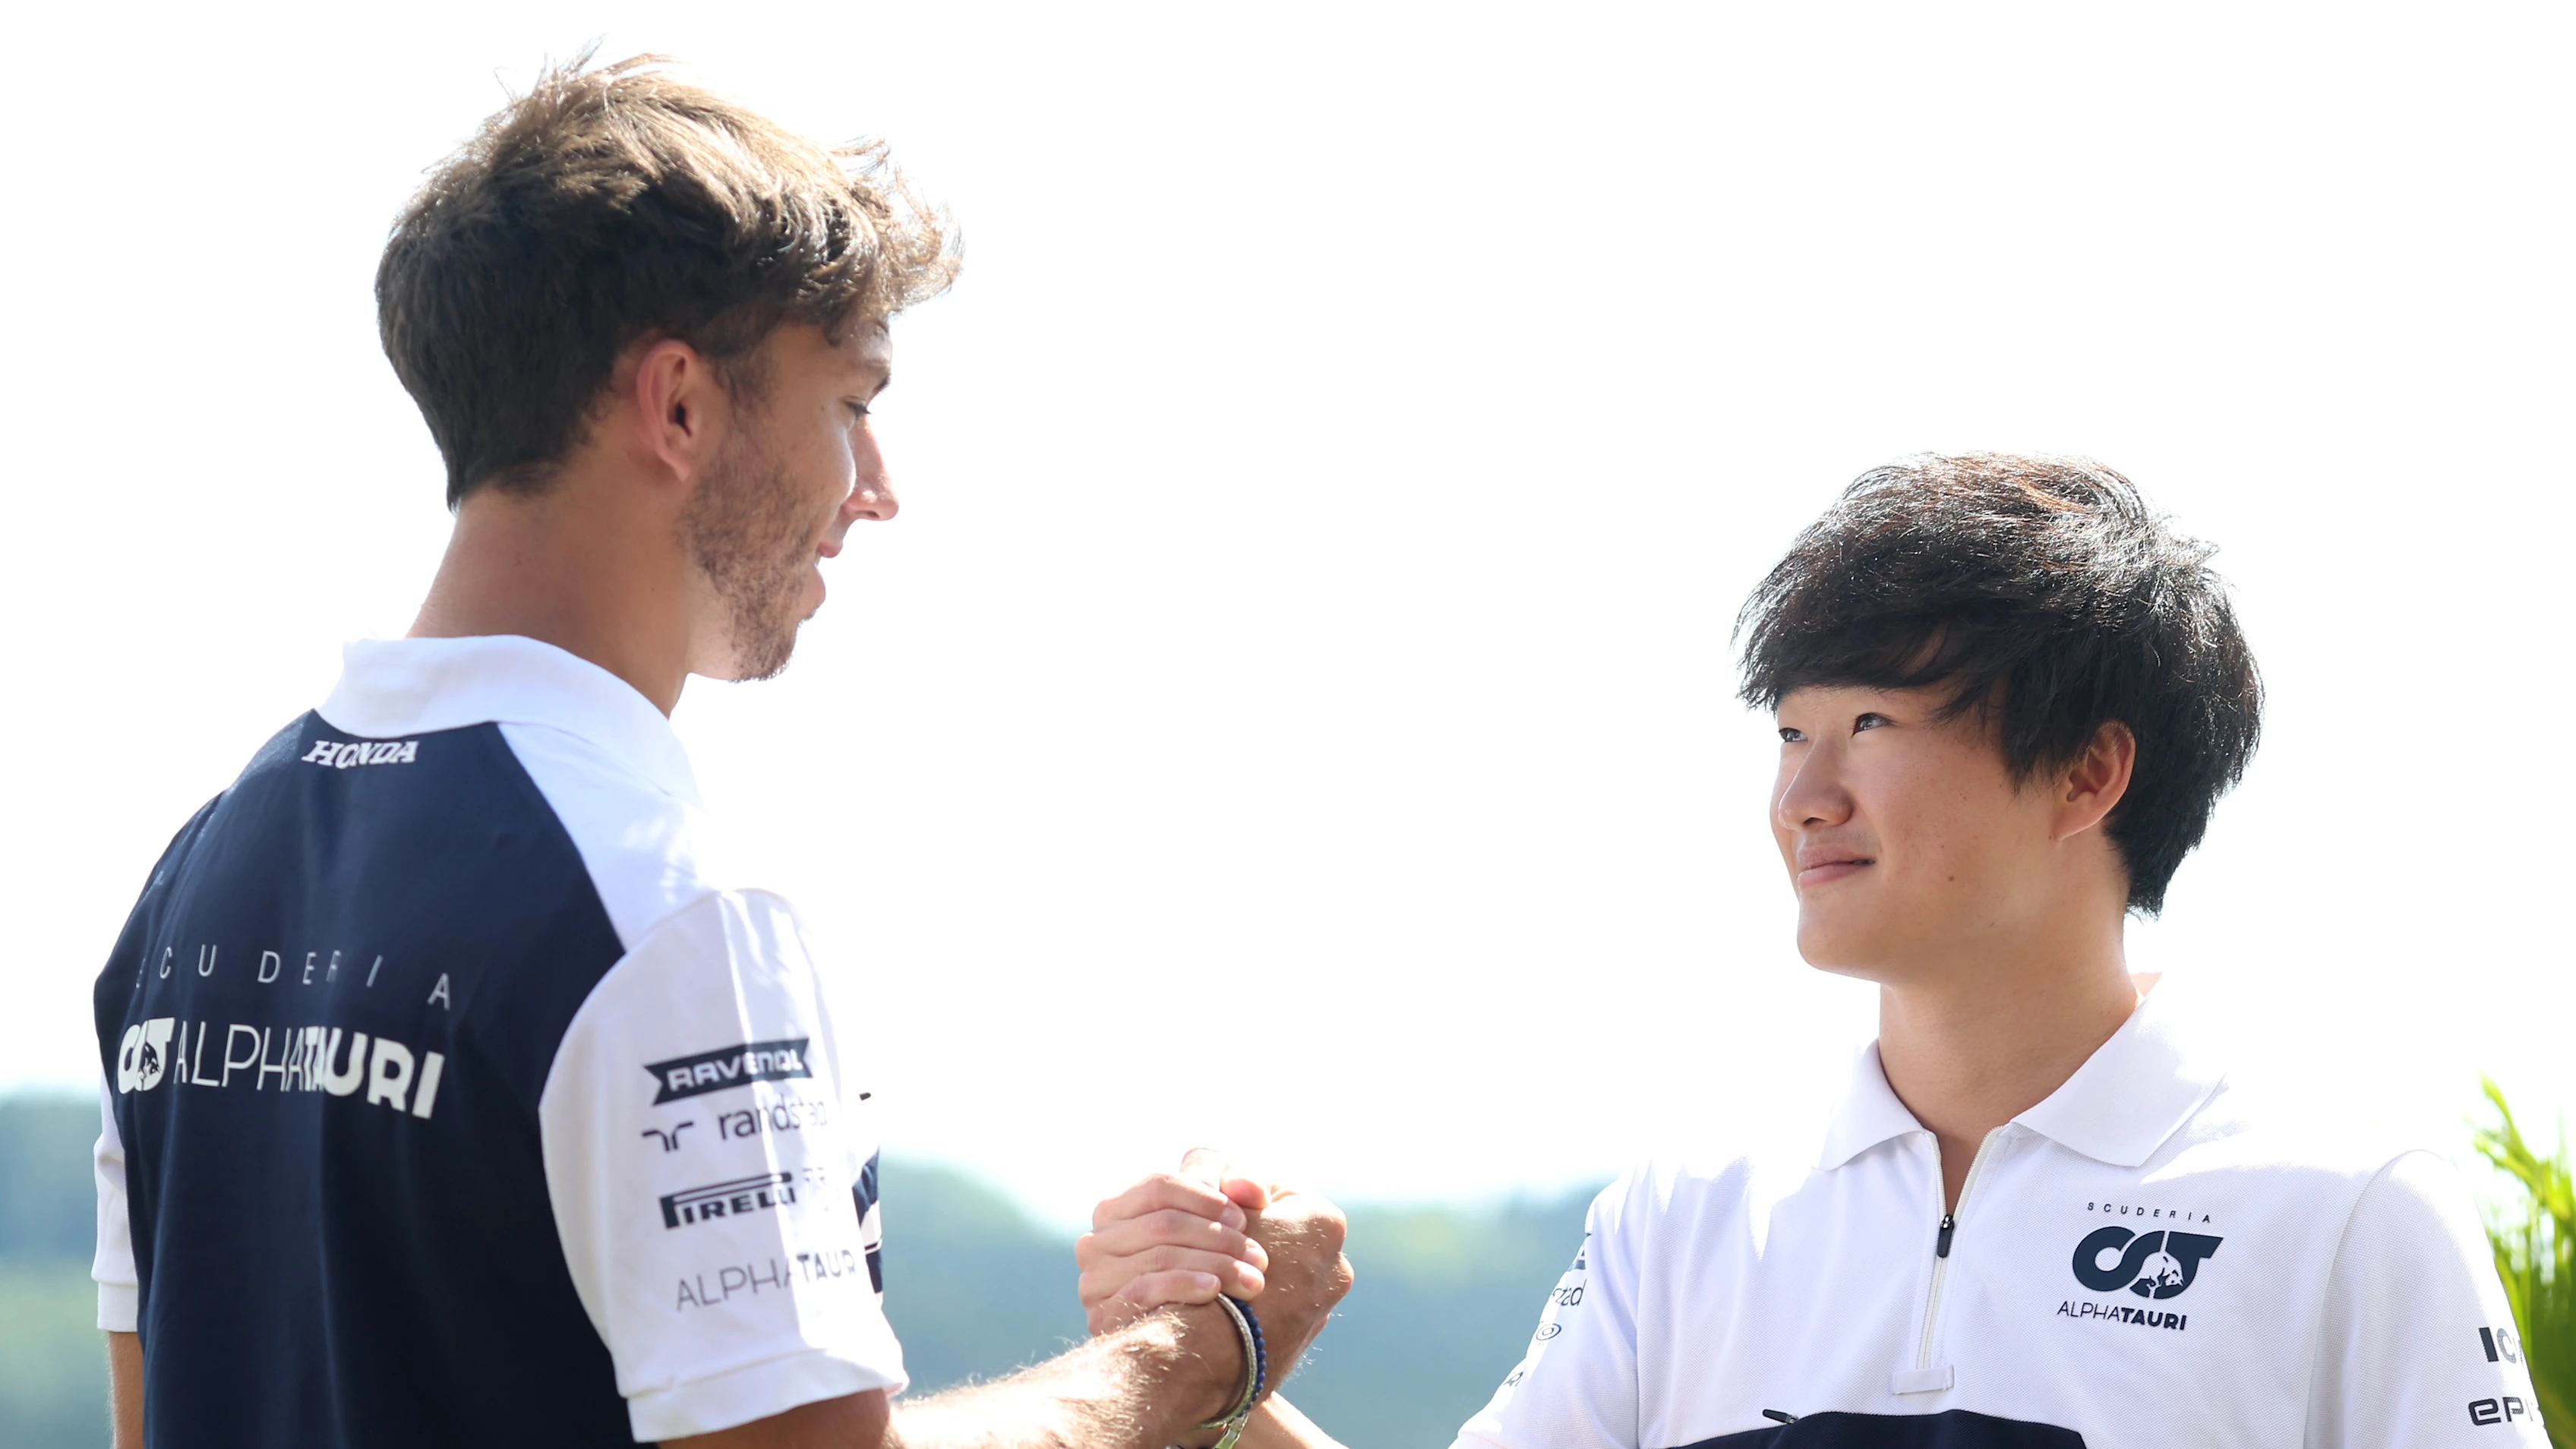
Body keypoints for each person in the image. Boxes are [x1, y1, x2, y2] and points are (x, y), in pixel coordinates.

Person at [90, 55, 1346, 1449]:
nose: (876, 491)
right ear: (678, 405)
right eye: (852, 403)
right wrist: (1201, 1359)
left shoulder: (195, 883)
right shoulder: (667, 911)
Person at [1080, 454, 2552, 1446]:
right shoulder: (1690, 1211)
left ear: (2090, 777)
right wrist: (1210, 1362)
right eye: (1789, 730)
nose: (1804, 794)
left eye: (1871, 727)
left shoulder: (2344, 1208)